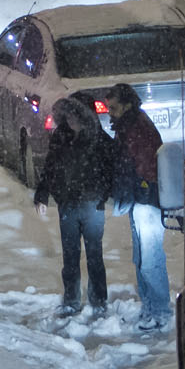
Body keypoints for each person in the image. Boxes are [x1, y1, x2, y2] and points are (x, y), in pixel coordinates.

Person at [33, 95, 115, 316]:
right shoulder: (62, 137)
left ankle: (98, 299)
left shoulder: (99, 140)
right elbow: (51, 166)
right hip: (69, 204)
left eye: (73, 115)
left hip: (91, 204)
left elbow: (111, 169)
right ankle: (72, 298)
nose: (69, 120)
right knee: (70, 254)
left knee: (94, 254)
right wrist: (43, 193)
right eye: (67, 116)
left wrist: (103, 194)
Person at [107, 82, 170, 333]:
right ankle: (150, 308)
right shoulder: (129, 126)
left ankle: (160, 312)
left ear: (127, 105)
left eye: (113, 108)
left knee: (150, 259)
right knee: (142, 258)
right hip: (140, 199)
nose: (109, 113)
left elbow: (144, 168)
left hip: (147, 201)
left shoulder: (136, 130)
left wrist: (135, 189)